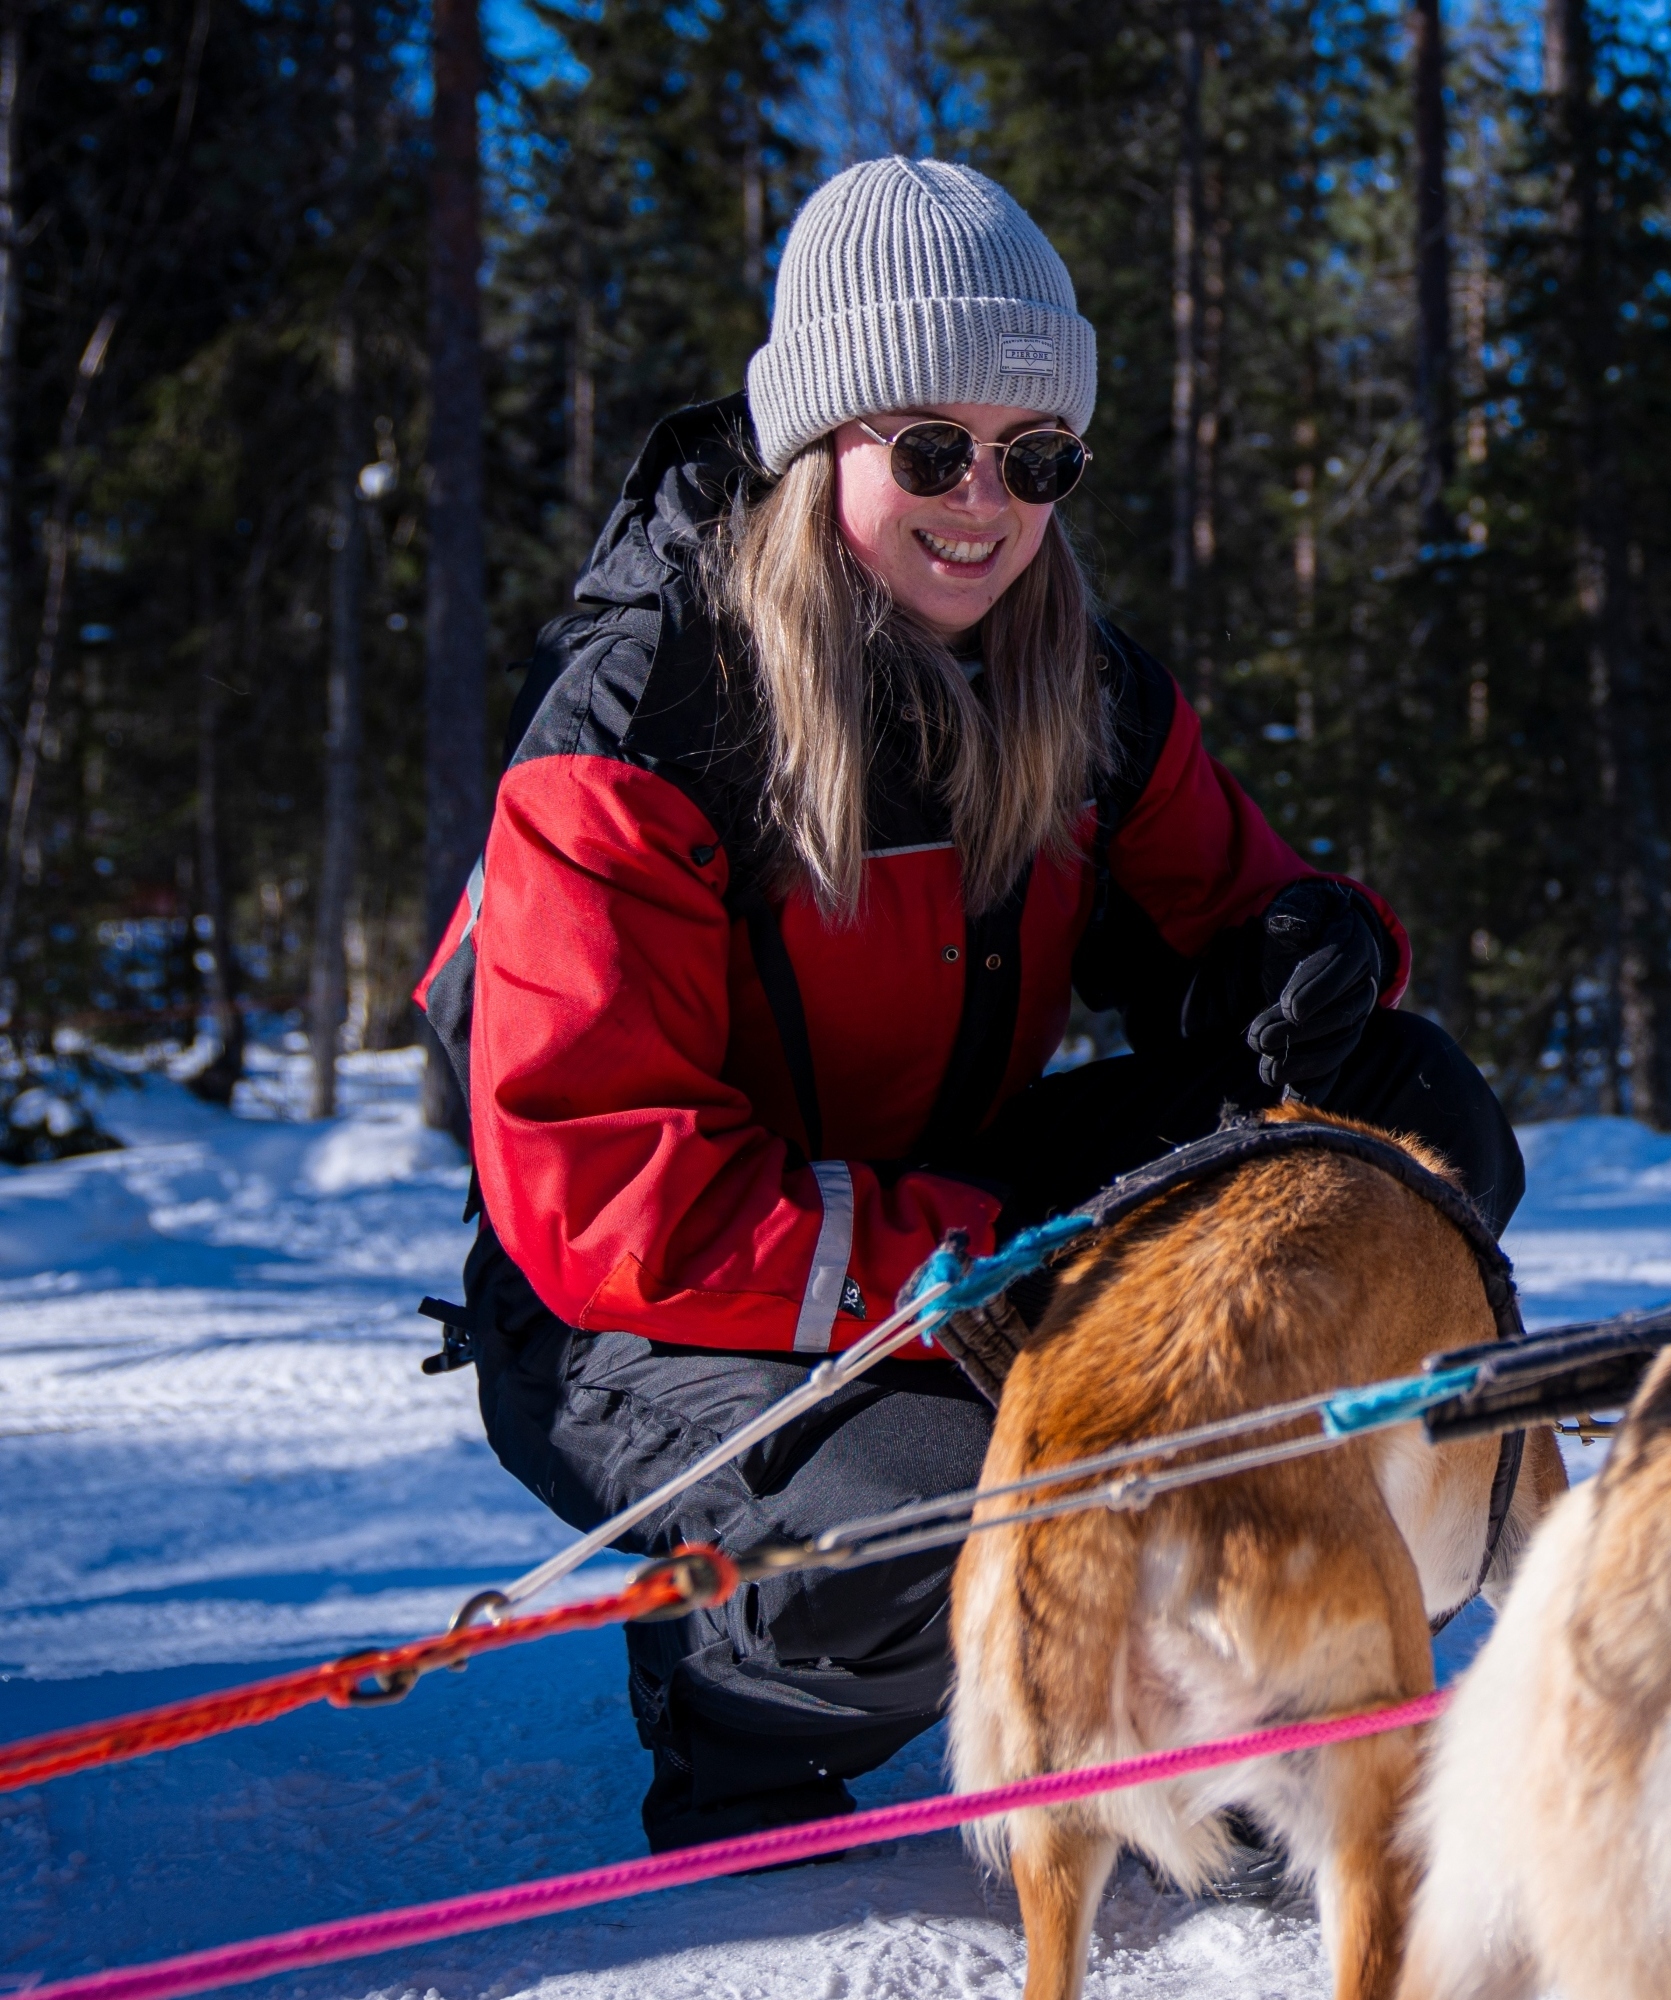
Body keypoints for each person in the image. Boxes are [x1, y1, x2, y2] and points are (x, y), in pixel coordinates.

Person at [413, 158, 1523, 1855]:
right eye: (930, 446)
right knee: (958, 1501)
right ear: (820, 442)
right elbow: (600, 1186)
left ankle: (1252, 1617)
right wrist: (978, 1267)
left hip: (951, 1203)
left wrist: (1312, 948)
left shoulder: (1073, 675)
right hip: (650, 1308)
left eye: (1035, 456)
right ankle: (731, 1686)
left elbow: (1242, 898)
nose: (984, 499)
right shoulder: (642, 721)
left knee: (1410, 1118)